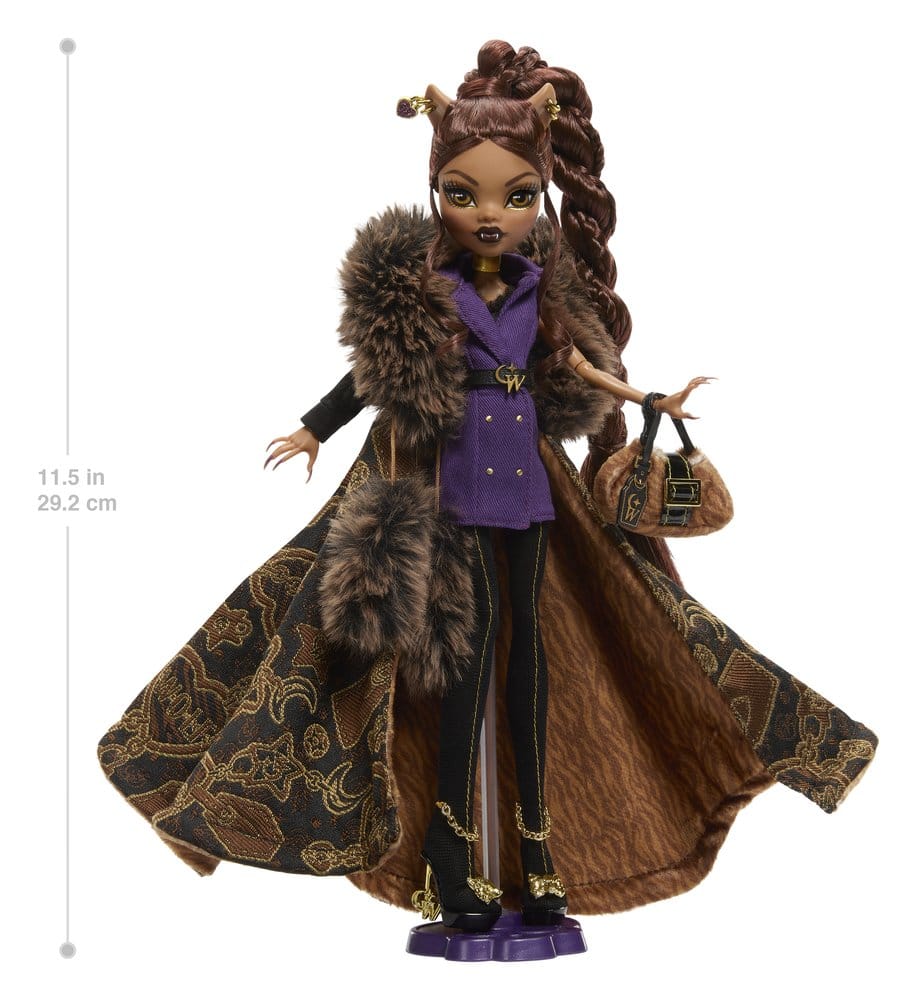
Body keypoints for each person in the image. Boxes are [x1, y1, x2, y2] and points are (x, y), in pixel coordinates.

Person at [98, 41, 877, 933]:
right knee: (461, 663)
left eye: (515, 195)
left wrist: (644, 400)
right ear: (436, 192)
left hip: (528, 492)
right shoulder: (424, 291)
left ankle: (537, 844)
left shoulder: (537, 289)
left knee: (530, 658)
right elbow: (369, 375)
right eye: (462, 195)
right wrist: (314, 428)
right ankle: (447, 844)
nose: (489, 215)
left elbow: (573, 363)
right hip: (453, 486)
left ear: (538, 194)